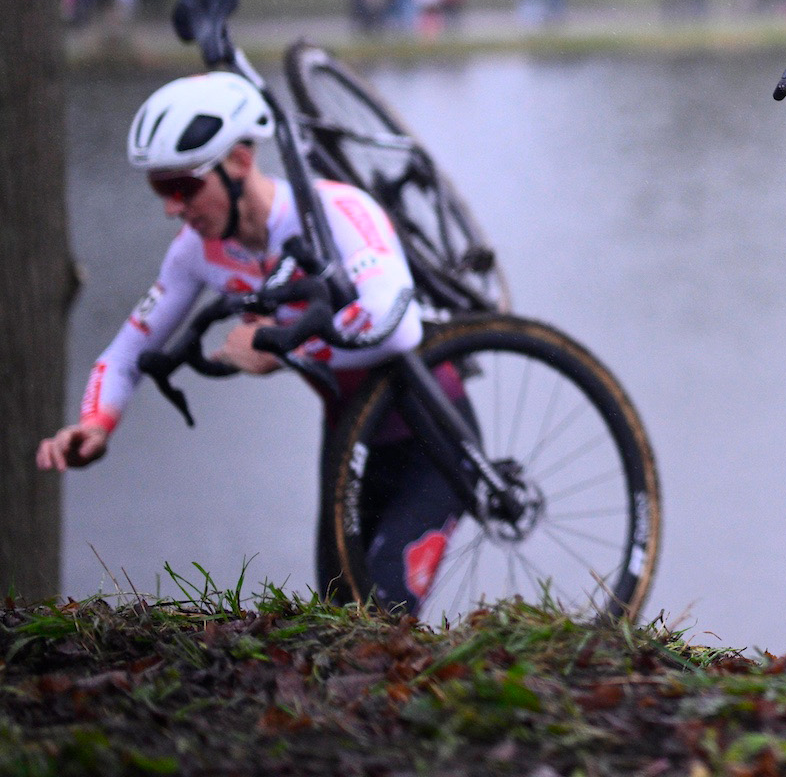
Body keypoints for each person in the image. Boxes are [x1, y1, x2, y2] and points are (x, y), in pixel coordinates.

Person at [35, 73, 464, 610]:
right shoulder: (196, 253)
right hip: (350, 434)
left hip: (433, 428)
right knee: (337, 616)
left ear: (239, 162)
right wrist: (96, 424)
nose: (172, 207)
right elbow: (126, 353)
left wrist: (280, 349)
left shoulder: (336, 210)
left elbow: (396, 328)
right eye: (158, 188)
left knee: (384, 609)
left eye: (183, 186)